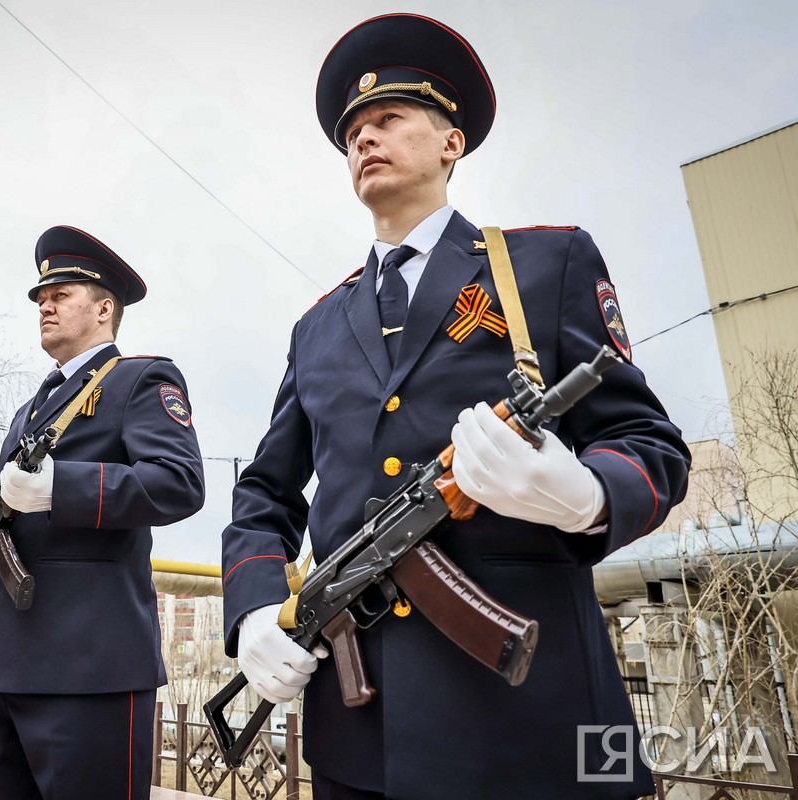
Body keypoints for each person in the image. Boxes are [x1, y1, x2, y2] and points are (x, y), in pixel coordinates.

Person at [219, 14, 691, 800]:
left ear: (450, 143)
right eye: (353, 133)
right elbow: (265, 493)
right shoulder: (317, 327)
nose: (364, 138)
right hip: (360, 735)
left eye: (388, 119)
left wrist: (588, 495)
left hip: (538, 721)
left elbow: (647, 441)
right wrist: (258, 608)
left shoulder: (543, 265)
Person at [0, 225, 205, 800]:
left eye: (61, 295)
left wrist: (65, 486)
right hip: (12, 664)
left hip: (90, 665)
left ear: (105, 307)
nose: (45, 305)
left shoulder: (140, 379)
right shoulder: (31, 409)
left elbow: (179, 483)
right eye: (40, 297)